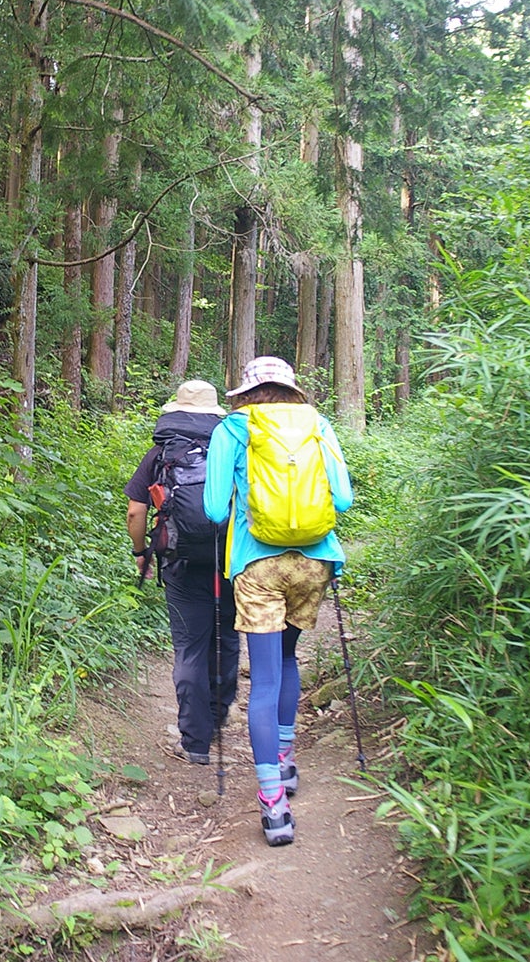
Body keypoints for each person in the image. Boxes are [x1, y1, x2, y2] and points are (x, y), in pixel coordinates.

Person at [203, 356, 353, 846]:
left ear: (246, 392)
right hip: (314, 563)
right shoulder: (319, 423)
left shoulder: (233, 428)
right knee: (289, 658)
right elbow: (344, 500)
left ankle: (274, 806)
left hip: (258, 565)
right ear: (291, 391)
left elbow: (210, 507)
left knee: (263, 680)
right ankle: (286, 763)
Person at [125, 380, 240, 766]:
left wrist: (142, 552)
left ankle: (195, 741)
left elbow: (135, 511)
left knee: (190, 647)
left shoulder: (160, 453)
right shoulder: (236, 448)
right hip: (230, 560)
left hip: (181, 561)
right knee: (225, 637)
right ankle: (218, 714)